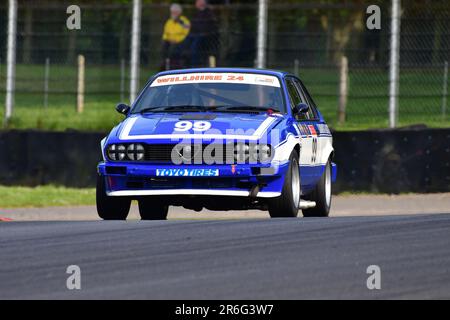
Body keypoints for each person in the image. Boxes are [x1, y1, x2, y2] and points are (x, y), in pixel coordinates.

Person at [161, 4, 191, 70]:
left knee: (174, 49)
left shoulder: (184, 22)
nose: (173, 14)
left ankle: (173, 66)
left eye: (175, 12)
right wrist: (167, 39)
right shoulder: (169, 22)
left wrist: (176, 40)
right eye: (172, 12)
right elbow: (165, 34)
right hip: (169, 42)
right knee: (164, 45)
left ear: (179, 13)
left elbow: (186, 34)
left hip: (180, 43)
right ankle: (165, 65)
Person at [189, 0, 219, 67]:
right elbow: (193, 27)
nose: (196, 3)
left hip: (207, 38)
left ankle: (194, 66)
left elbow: (208, 28)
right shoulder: (195, 14)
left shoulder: (209, 14)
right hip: (195, 36)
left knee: (195, 45)